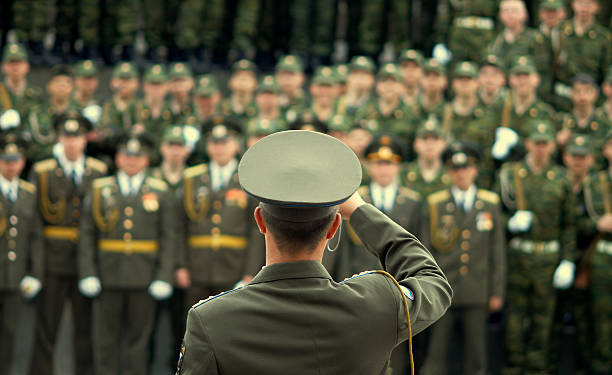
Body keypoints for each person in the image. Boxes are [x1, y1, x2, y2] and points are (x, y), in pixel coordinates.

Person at [177, 130, 452, 374]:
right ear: (334, 227)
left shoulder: (211, 319)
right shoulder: (377, 303)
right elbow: (433, 281)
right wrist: (360, 212)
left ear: (260, 221)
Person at [78, 132, 176, 375]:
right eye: (126, 155)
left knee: (139, 343)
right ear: (118, 159)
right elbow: (87, 234)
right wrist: (88, 273)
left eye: (137, 156)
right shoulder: (101, 189)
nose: (131, 160)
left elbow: (168, 236)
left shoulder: (160, 191)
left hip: (144, 276)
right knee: (106, 341)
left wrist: (164, 276)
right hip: (107, 275)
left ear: (145, 160)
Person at [29, 113, 107, 375]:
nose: (72, 143)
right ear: (59, 139)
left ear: (85, 140)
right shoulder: (43, 172)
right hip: (52, 260)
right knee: (46, 328)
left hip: (85, 264)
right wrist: (36, 268)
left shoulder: (98, 171)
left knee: (85, 330)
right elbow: (35, 224)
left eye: (77, 137)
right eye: (67, 137)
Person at [498, 120, 576, 374]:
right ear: (528, 144)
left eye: (545, 144)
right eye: (536, 143)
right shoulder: (511, 174)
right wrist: (509, 222)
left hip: (548, 257)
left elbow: (569, 225)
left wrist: (567, 260)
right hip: (519, 254)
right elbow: (491, 212)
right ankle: (513, 366)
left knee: (544, 320)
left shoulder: (561, 178)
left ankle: (537, 368)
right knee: (514, 319)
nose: (540, 149)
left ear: (553, 146)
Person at [421, 141, 505, 375]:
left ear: (475, 170)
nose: (461, 174)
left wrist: (496, 292)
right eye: (456, 169)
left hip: (477, 289)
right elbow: (427, 250)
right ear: (448, 172)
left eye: (466, 168)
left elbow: (496, 251)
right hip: (443, 289)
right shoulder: (436, 204)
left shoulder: (490, 203)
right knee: (436, 354)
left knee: (476, 356)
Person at [178, 118, 265, 310]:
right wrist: (181, 265)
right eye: (214, 143)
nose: (219, 148)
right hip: (198, 265)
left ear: (235, 145)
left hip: (234, 266)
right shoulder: (192, 178)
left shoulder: (248, 178)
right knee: (195, 323)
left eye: (224, 143)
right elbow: (181, 226)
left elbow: (256, 229)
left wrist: (251, 272)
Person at [0, 133, 43, 375]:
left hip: (15, 277)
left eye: (15, 160)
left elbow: (35, 236)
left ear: (22, 162)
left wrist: (34, 273)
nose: (10, 165)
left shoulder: (28, 192)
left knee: (9, 336)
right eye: (6, 160)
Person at [578, 130, 612, 375]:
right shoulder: (593, 184)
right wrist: (597, 225)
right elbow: (576, 221)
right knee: (600, 323)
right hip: (602, 257)